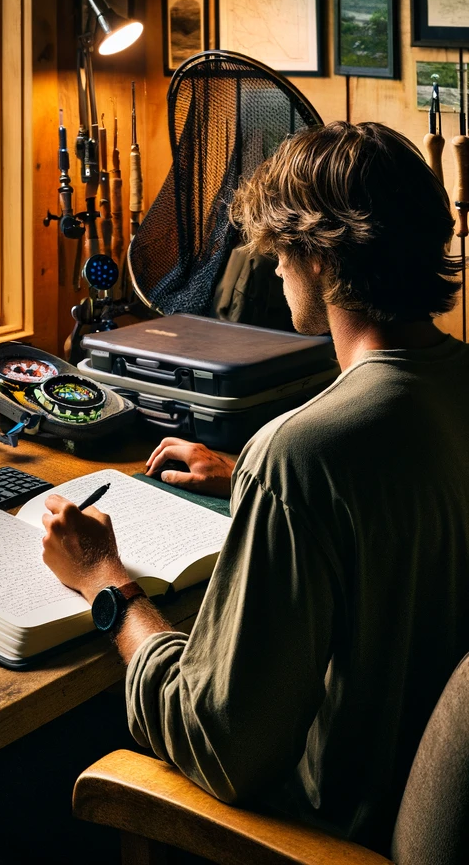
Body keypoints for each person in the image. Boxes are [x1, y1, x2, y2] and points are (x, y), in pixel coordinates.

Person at [41, 121, 469, 855]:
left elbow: (221, 748)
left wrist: (106, 586)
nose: (270, 268)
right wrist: (246, 475)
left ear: (316, 255)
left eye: (276, 249)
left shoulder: (302, 454)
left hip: (329, 828)